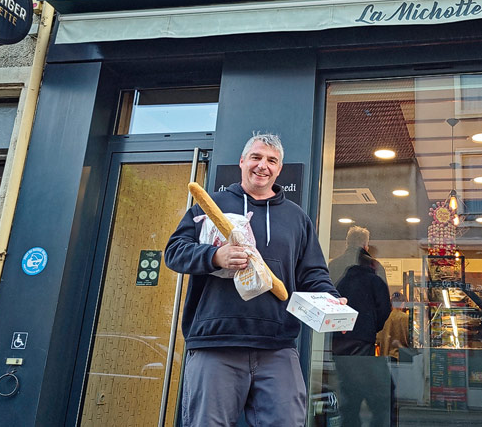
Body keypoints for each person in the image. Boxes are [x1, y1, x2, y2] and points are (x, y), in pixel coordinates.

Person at [165, 133, 345, 427]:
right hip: (216, 342)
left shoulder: (296, 218)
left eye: (271, 160)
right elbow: (174, 252)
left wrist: (329, 297)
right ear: (242, 162)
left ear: (279, 169)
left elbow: (312, 273)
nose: (263, 166)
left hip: (278, 345)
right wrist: (215, 257)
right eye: (256, 157)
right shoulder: (211, 205)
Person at [331, 226, 393, 426]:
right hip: (363, 338)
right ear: (366, 244)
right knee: (377, 390)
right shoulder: (374, 267)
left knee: (347, 389)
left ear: (347, 243)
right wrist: (370, 328)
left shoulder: (334, 265)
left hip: (337, 338)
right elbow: (384, 307)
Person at [376, 292, 410, 361]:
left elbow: (377, 339)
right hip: (401, 359)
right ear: (403, 304)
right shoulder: (406, 318)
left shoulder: (383, 317)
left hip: (384, 360)